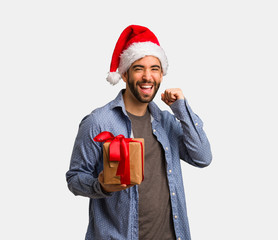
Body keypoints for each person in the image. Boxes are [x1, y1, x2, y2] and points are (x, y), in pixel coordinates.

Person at [66, 25, 212, 240]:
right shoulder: (98, 122)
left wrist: (182, 108)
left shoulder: (167, 121)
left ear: (162, 74)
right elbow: (75, 178)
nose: (147, 76)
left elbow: (203, 157)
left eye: (154, 68)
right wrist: (101, 185)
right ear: (124, 74)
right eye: (138, 68)